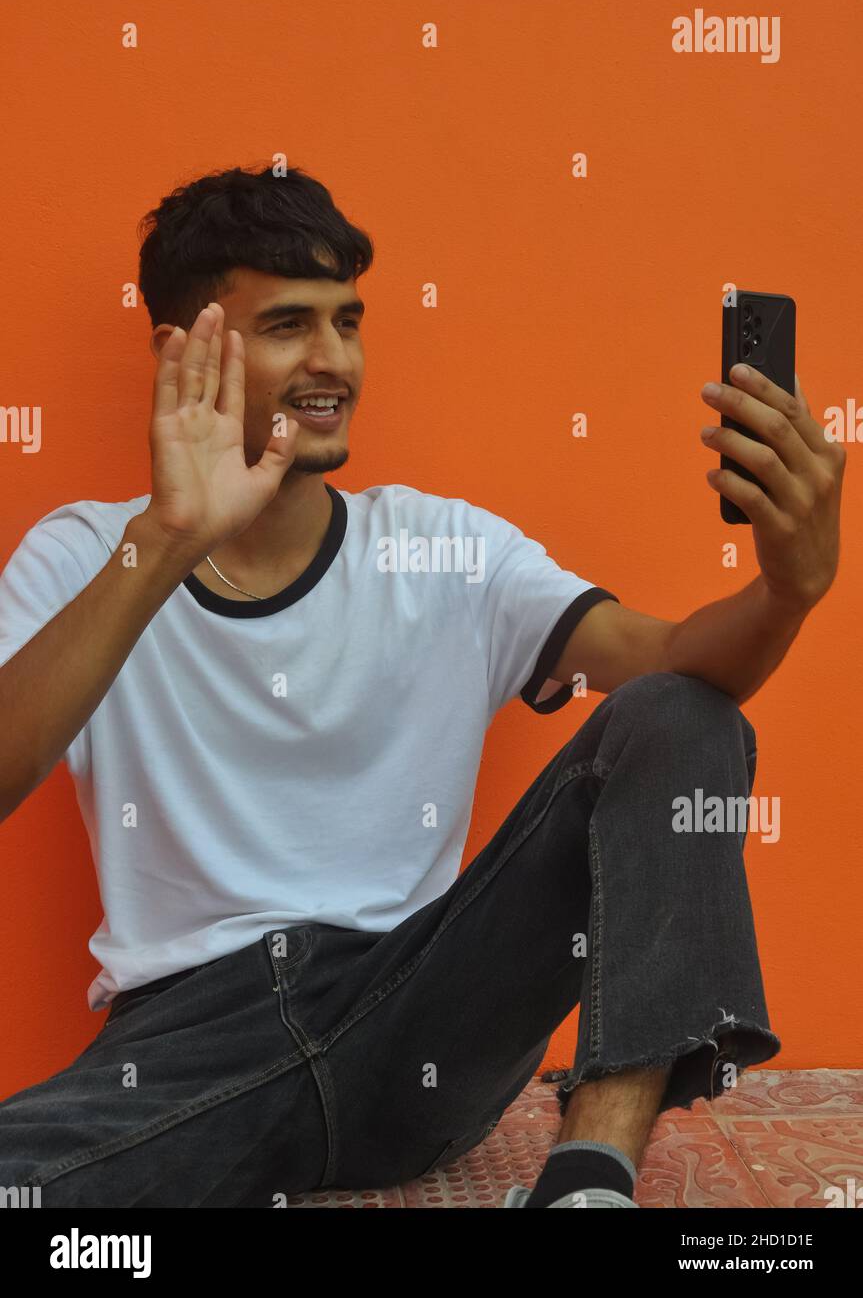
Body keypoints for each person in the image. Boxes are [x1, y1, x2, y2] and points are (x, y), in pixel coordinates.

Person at [0, 163, 845, 1209]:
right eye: (288, 324)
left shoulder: (441, 547)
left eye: (347, 322)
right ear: (185, 350)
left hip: (417, 1019)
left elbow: (673, 664)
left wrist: (785, 589)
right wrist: (166, 540)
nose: (333, 360)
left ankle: (587, 1183)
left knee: (679, 716)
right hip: (188, 1043)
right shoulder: (88, 554)